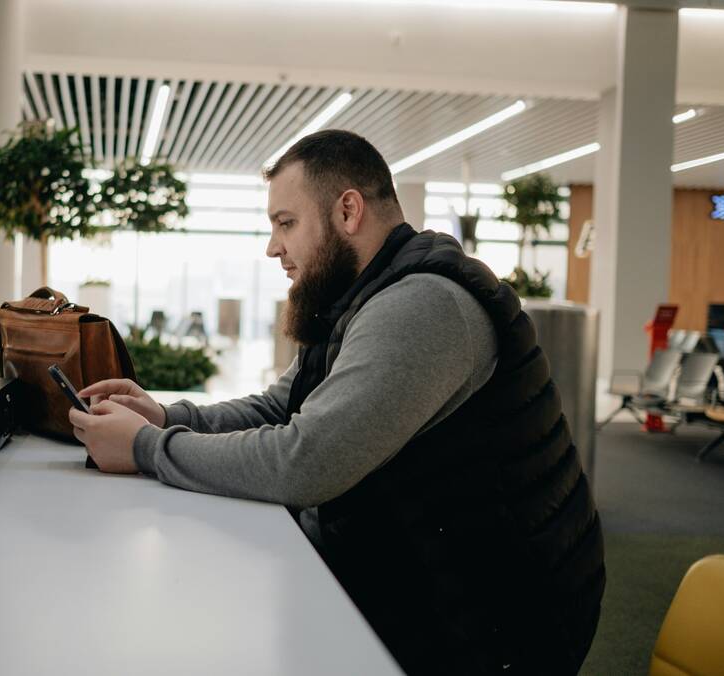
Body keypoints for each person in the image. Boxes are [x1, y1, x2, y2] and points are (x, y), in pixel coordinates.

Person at [68, 130, 605, 676]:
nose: (273, 247)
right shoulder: (359, 298)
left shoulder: (423, 306)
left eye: (286, 223)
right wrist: (165, 416)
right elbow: (280, 409)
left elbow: (307, 462)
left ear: (348, 210)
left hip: (493, 625)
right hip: (424, 576)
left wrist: (145, 448)